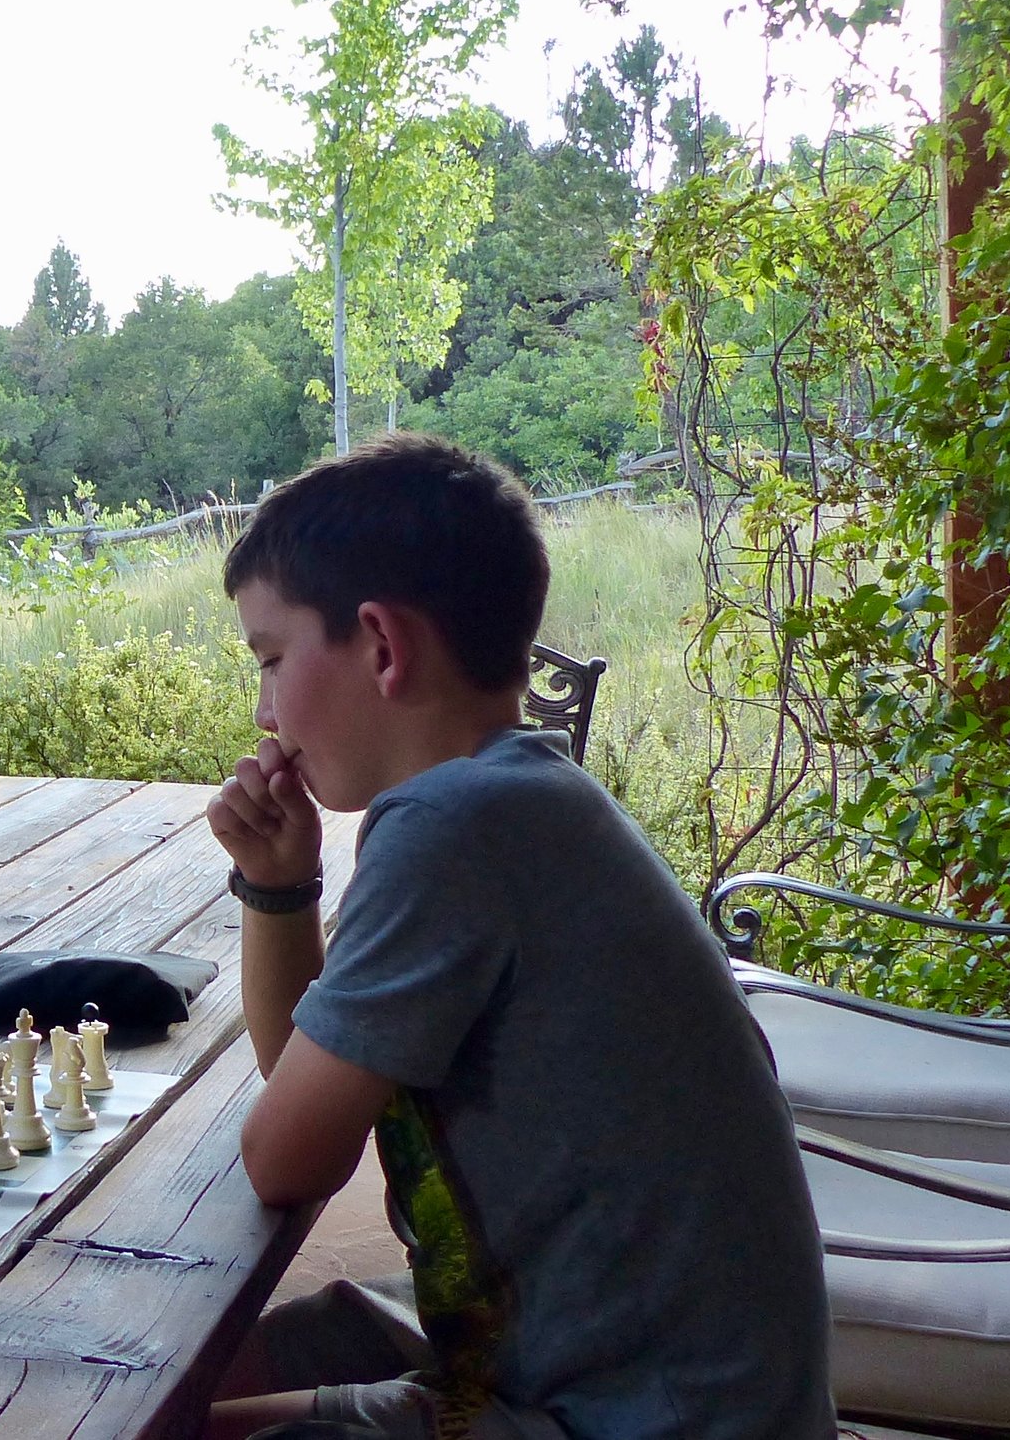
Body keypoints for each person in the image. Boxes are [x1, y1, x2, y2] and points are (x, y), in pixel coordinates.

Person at [202, 435, 830, 1440]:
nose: (264, 710)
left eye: (272, 659)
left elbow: (284, 1160)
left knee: (166, 1416)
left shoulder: (452, 827)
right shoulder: (521, 792)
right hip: (594, 1361)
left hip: (631, 1416)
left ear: (382, 643)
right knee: (229, 1360)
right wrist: (280, 891)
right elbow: (309, 1094)